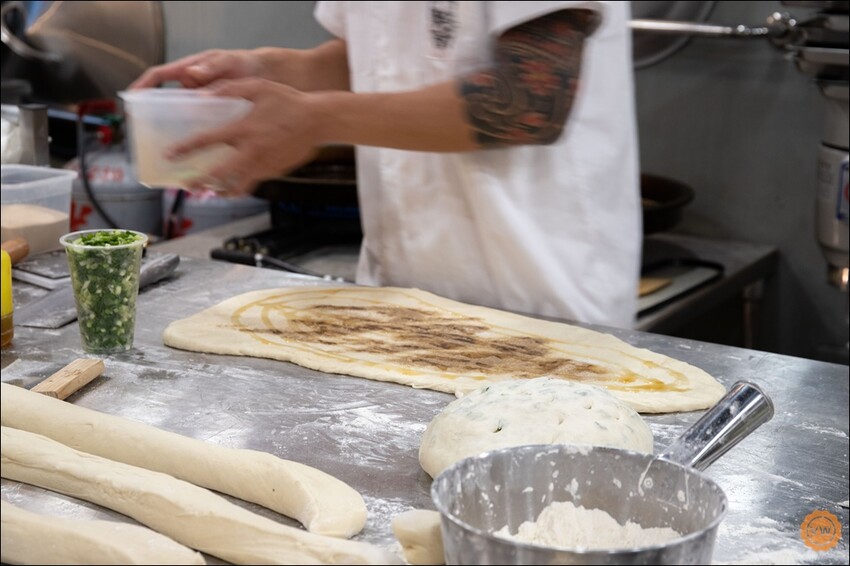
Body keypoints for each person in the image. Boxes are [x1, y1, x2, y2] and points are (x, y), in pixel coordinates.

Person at [131, 1, 641, 328]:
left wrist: (315, 119)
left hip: (540, 301)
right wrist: (270, 70)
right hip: (400, 299)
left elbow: (530, 100)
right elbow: (370, 61)